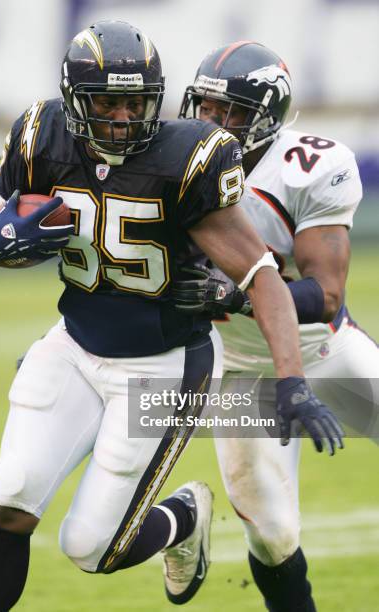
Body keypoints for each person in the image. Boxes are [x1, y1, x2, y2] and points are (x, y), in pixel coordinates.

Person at [0, 23, 344, 611]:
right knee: (10, 499)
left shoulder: (186, 157)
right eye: (108, 101)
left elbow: (262, 278)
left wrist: (291, 382)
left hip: (162, 366)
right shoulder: (42, 137)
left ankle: (182, 518)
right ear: (75, 100)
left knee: (90, 546)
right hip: (73, 346)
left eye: (137, 102)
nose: (124, 117)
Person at [175, 41, 379, 611]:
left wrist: (235, 296)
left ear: (268, 114)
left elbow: (325, 295)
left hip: (323, 349)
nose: (213, 124)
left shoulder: (309, 166)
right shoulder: (172, 162)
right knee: (271, 534)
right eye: (206, 108)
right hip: (240, 371)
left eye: (231, 112)